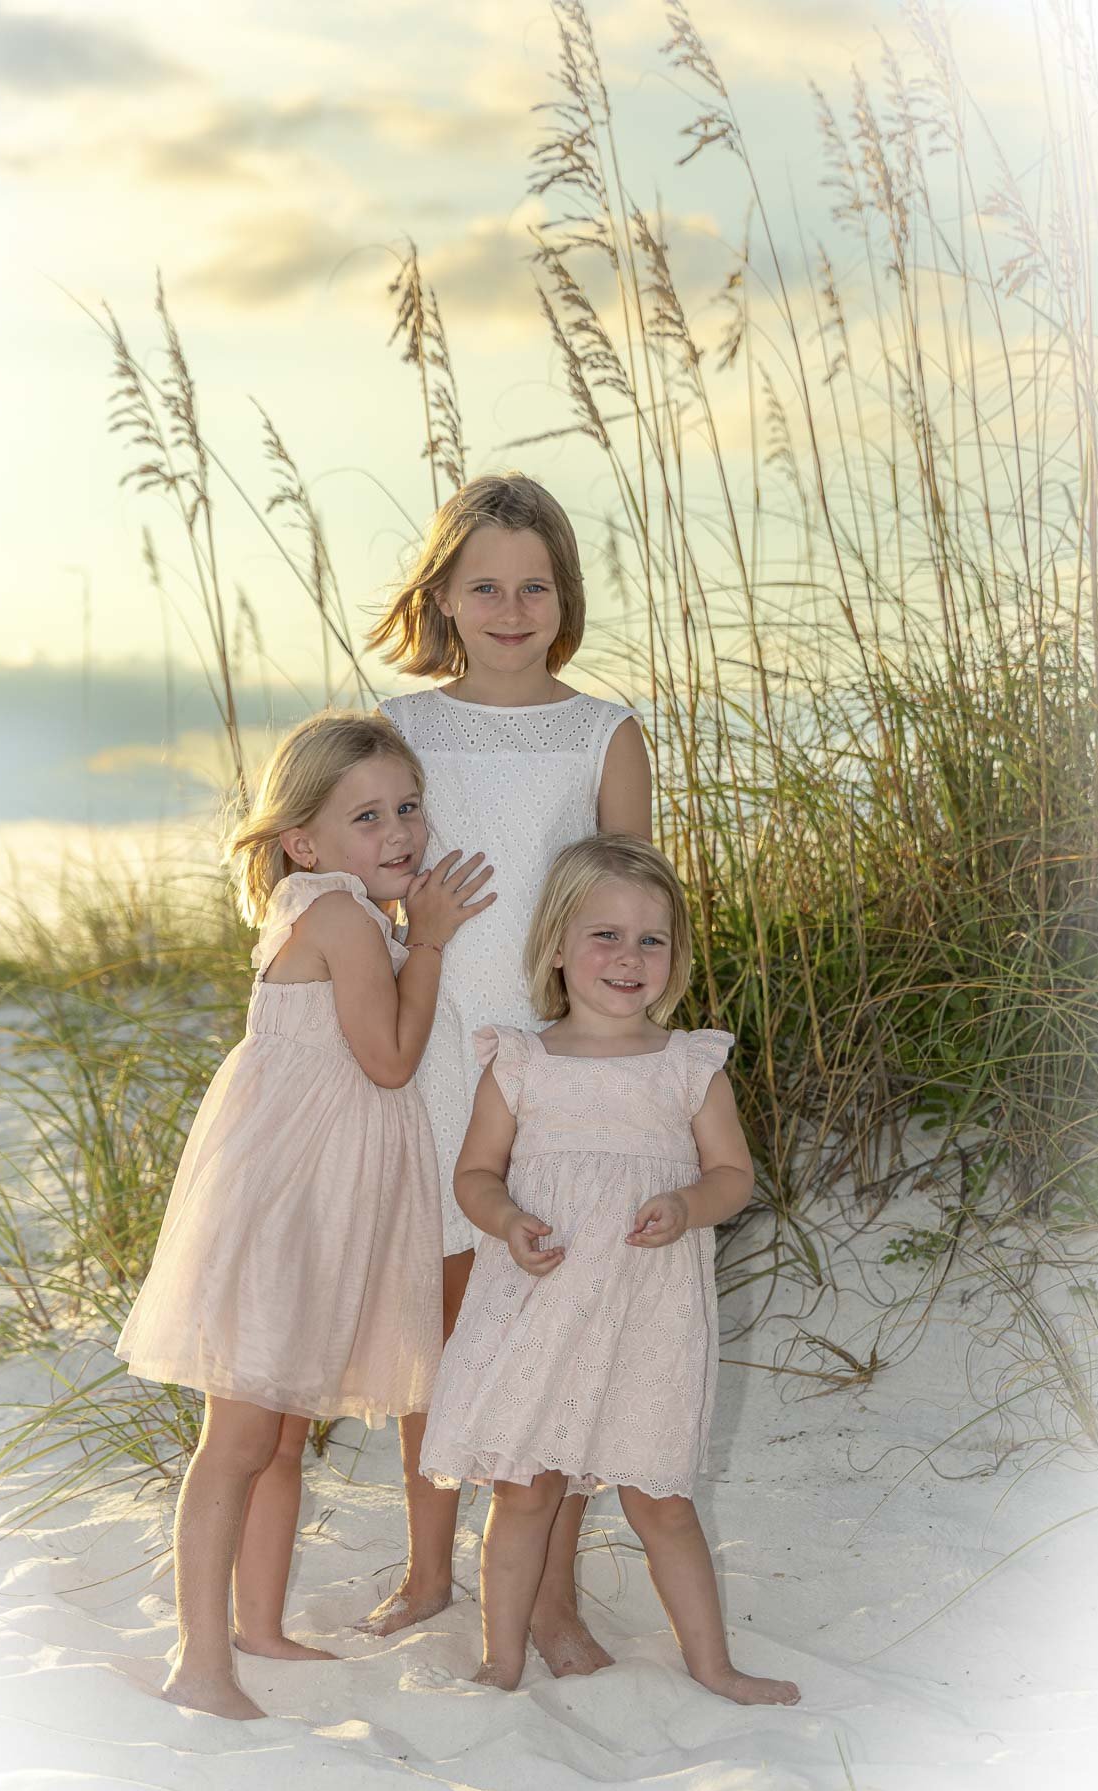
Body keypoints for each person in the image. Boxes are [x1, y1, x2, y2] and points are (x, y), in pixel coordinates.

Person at [115, 710, 494, 1719]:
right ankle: (199, 1661)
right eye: (365, 817)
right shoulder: (340, 918)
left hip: (303, 1201)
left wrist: (407, 934)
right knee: (241, 1440)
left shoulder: (329, 908)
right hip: (284, 1212)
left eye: (407, 806)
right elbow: (392, 1060)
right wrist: (430, 942)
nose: (399, 832)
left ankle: (259, 1627)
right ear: (303, 841)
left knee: (280, 1440)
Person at [366, 471, 652, 1676]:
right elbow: (354, 872)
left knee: (555, 1330)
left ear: (564, 596)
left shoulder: (602, 732)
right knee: (438, 1321)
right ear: (442, 595)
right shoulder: (399, 727)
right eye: (482, 586)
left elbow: (633, 903)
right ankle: (429, 1567)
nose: (510, 609)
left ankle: (547, 1592)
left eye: (534, 586)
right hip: (432, 1047)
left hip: (555, 1064)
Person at [421, 834, 801, 1705]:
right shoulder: (520, 1062)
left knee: (660, 1499)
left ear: (675, 956)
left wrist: (688, 1204)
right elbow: (474, 1175)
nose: (630, 958)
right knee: (525, 1489)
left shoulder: (689, 1066)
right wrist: (507, 1220)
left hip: (647, 1311)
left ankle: (714, 1666)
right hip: (542, 1304)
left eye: (650, 940)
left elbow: (732, 1175)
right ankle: (501, 1661)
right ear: (557, 946)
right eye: (606, 936)